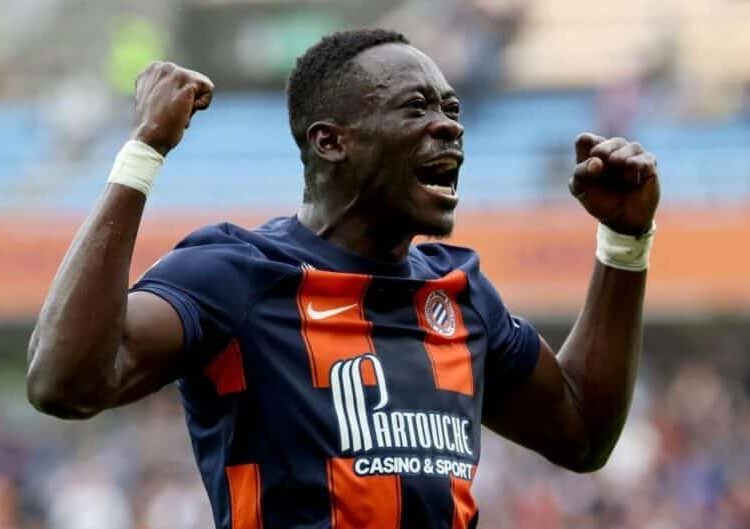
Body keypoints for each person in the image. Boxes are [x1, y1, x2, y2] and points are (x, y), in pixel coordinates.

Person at [26, 29, 659, 529]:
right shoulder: (236, 275)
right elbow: (65, 380)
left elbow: (582, 433)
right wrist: (143, 152)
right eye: (418, 107)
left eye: (452, 108)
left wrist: (625, 243)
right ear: (332, 141)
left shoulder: (462, 297)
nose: (451, 126)